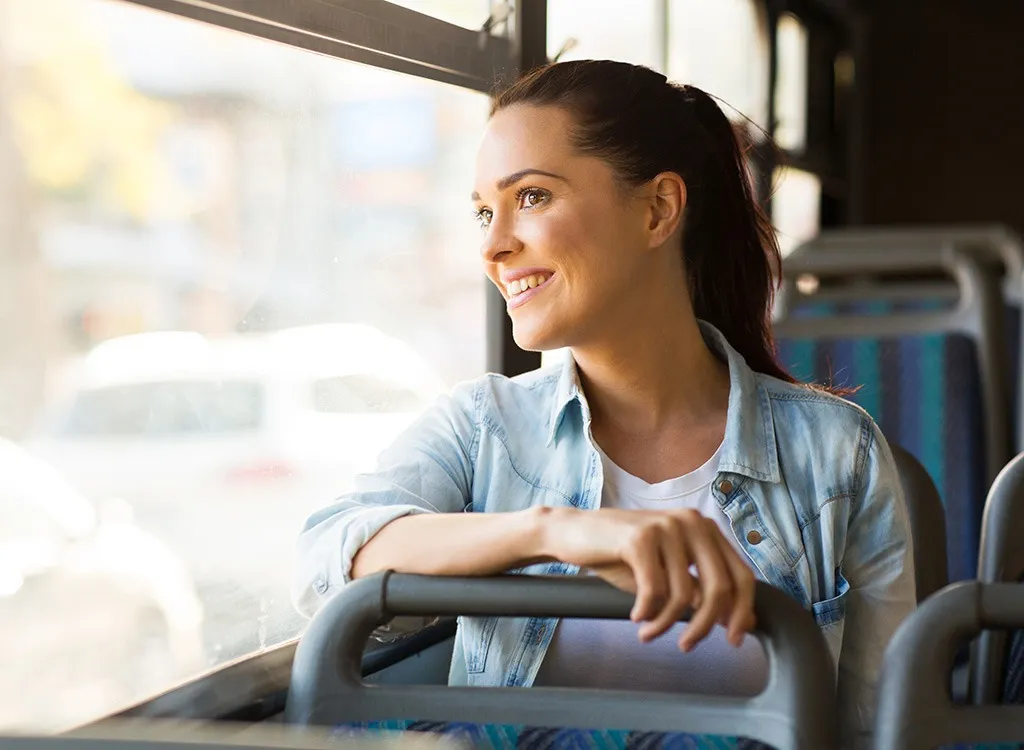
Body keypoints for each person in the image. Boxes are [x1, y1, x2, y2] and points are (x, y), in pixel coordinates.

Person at [293, 59, 915, 748]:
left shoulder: (836, 456)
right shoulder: (484, 428)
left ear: (657, 210)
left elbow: (876, 732)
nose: (494, 245)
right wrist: (551, 532)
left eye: (530, 197)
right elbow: (328, 554)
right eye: (482, 212)